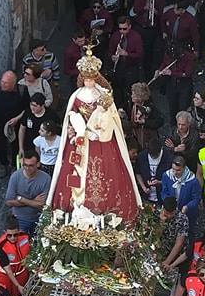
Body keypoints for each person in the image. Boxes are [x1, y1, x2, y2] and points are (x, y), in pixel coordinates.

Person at [47, 48, 142, 222]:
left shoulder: (103, 96)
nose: (89, 82)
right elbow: (71, 115)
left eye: (92, 79)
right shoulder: (76, 96)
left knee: (107, 173)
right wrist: (74, 130)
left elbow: (112, 119)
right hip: (81, 142)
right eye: (86, 79)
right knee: (76, 173)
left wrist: (100, 128)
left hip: (101, 140)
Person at [5, 150, 51, 235]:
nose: (27, 168)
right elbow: (8, 202)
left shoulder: (46, 179)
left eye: (31, 165)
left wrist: (21, 199)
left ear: (38, 164)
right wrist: (33, 201)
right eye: (25, 165)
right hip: (20, 218)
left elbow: (42, 204)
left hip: (38, 217)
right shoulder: (15, 176)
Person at [0, 71, 24, 176]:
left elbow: (26, 109)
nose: (3, 84)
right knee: (0, 144)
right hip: (0, 122)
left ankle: (14, 164)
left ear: (13, 83)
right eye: (2, 81)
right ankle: (3, 163)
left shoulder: (22, 90)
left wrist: (17, 119)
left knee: (15, 145)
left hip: (15, 123)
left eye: (6, 83)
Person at [156, 39, 197, 124]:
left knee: (183, 107)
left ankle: (183, 125)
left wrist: (172, 73)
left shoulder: (189, 57)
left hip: (184, 85)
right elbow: (165, 62)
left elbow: (187, 74)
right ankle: (173, 125)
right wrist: (160, 70)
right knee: (172, 106)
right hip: (172, 84)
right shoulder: (168, 54)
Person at [160, 153, 202, 237]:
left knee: (188, 233)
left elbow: (196, 198)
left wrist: (187, 207)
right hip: (171, 211)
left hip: (187, 213)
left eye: (178, 170)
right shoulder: (166, 176)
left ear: (184, 168)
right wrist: (168, 203)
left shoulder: (193, 180)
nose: (175, 172)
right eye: (173, 169)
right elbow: (164, 192)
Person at [0, 216, 30, 296]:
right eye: (9, 235)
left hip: (21, 274)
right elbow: (8, 270)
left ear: (19, 231)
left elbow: (30, 252)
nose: (12, 238)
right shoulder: (0, 247)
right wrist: (18, 285)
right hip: (5, 278)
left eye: (15, 235)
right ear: (5, 232)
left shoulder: (25, 237)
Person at [108, 16, 143, 104]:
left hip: (131, 67)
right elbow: (110, 51)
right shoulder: (115, 36)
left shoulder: (136, 37)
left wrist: (127, 54)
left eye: (124, 29)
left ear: (130, 26)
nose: (122, 31)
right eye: (120, 29)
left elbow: (140, 54)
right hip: (119, 67)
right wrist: (112, 56)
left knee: (129, 90)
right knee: (118, 89)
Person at [135, 135, 173, 205]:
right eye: (151, 155)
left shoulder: (168, 157)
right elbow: (138, 173)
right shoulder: (141, 156)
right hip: (146, 196)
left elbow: (173, 178)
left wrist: (160, 182)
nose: (153, 157)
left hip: (163, 197)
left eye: (156, 155)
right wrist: (143, 187)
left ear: (161, 149)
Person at [128, 82, 163, 149]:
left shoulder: (150, 107)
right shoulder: (132, 105)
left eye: (134, 95)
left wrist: (145, 122)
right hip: (136, 136)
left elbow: (159, 122)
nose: (131, 96)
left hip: (148, 139)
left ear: (140, 97)